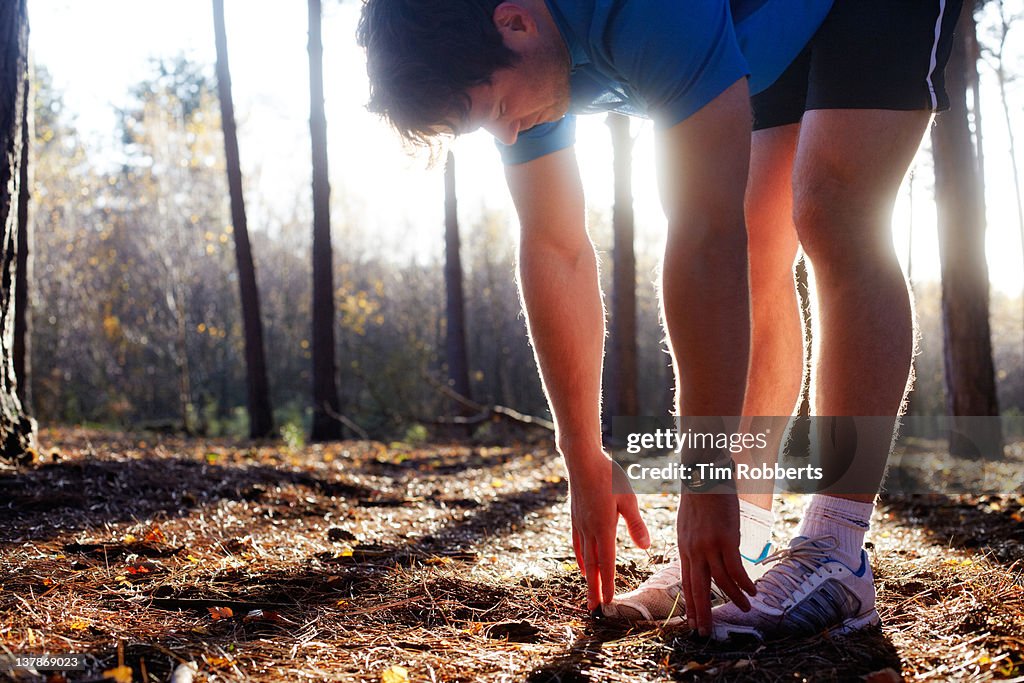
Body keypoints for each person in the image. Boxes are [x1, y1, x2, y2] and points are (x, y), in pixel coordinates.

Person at [357, 0, 961, 641]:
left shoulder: (645, 15)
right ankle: (743, 546)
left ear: (517, 23)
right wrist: (581, 455)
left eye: (499, 112)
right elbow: (554, 246)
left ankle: (838, 551)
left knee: (832, 206)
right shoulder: (520, 55)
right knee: (758, 238)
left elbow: (704, 237)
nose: (507, 136)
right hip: (760, 16)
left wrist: (705, 480)